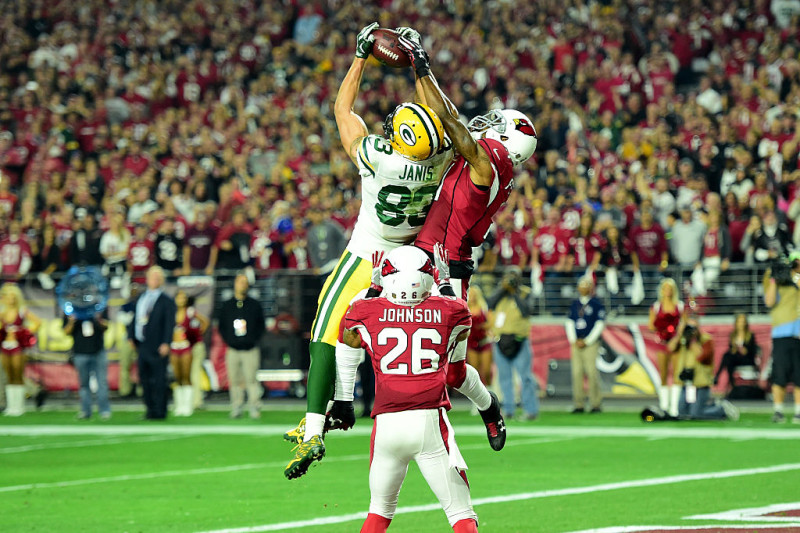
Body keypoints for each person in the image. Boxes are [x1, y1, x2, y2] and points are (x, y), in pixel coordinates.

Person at [285, 24, 454, 472]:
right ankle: (347, 401)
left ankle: (314, 427)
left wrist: (361, 55)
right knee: (362, 330)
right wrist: (421, 66)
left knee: (328, 327)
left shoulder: (379, 155)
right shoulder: (440, 157)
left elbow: (342, 109)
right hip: (413, 262)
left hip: (368, 253)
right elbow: (447, 118)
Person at [399, 34, 538, 439]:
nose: (487, 124)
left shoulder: (492, 159)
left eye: (498, 124)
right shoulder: (495, 161)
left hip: (447, 267)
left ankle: (487, 407)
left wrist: (422, 68)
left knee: (451, 368)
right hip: (418, 255)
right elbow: (449, 114)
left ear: (506, 138)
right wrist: (418, 66)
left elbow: (454, 125)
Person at [336, 246, 479, 533]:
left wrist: (374, 289)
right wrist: (444, 283)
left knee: (378, 514)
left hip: (386, 425)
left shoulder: (367, 311)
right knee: (461, 514)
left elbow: (348, 335)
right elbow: (462, 321)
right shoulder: (448, 311)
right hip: (427, 422)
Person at [486, 268, 539, 421]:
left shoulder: (526, 292)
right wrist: (503, 288)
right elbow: (489, 303)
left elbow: (526, 311)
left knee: (525, 377)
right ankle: (508, 410)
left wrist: (515, 292)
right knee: (504, 377)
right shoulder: (500, 293)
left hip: (519, 340)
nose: (510, 280)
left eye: (513, 277)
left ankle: (530, 410)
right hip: (500, 340)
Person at [126, 266, 176, 420]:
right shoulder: (141, 298)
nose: (153, 280)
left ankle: (160, 411)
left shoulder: (166, 301)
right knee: (144, 378)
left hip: (158, 344)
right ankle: (149, 409)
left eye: (156, 278)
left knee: (159, 379)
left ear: (161, 281)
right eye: (151, 277)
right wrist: (131, 336)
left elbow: (169, 323)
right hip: (142, 344)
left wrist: (166, 342)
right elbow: (135, 319)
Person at [667, 318, 739, 420]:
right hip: (687, 382)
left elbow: (701, 356)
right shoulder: (683, 339)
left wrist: (693, 341)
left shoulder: (706, 340)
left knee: (696, 414)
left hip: (700, 383)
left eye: (693, 327)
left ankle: (721, 409)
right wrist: (679, 334)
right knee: (682, 413)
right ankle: (712, 406)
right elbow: (670, 348)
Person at [217, 273, 265, 419]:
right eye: (240, 282)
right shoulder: (227, 305)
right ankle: (236, 406)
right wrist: (229, 340)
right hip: (233, 349)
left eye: (245, 282)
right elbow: (222, 326)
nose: (242, 285)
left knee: (251, 379)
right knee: (234, 379)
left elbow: (260, 326)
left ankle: (254, 406)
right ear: (235, 284)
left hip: (250, 349)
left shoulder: (254, 305)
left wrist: (252, 340)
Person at [763, 255, 800, 423]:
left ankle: (798, 411)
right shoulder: (776, 282)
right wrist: (773, 279)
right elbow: (769, 301)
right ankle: (778, 410)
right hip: (781, 333)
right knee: (780, 374)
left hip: (798, 333)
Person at [566, 276, 606, 414]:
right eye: (581, 284)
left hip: (590, 343)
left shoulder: (596, 304)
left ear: (591, 288)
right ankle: (579, 404)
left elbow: (599, 324)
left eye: (586, 285)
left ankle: (595, 403)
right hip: (576, 343)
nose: (583, 287)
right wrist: (573, 340)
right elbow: (570, 322)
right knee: (576, 373)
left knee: (591, 372)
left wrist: (588, 341)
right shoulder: (574, 304)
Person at [0, 283, 40, 416]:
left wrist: (24, 333)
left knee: (18, 375)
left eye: (13, 296)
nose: (11, 299)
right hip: (5, 346)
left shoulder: (22, 310)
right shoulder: (2, 311)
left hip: (18, 347)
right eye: (8, 296)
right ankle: (11, 406)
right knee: (8, 375)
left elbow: (38, 322)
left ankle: (19, 406)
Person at [649, 278, 686, 417]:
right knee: (663, 375)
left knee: (677, 374)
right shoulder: (656, 306)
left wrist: (675, 339)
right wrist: (663, 328)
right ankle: (664, 406)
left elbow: (683, 324)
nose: (668, 291)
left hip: (676, 343)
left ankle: (674, 409)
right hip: (662, 343)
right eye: (665, 288)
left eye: (670, 288)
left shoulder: (679, 306)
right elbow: (651, 325)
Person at [63, 310, 110, 420]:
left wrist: (98, 319)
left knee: (102, 383)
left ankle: (104, 410)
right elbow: (66, 331)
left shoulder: (98, 307)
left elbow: (106, 327)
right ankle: (86, 411)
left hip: (98, 351)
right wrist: (71, 321)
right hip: (80, 352)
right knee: (84, 384)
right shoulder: (72, 309)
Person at [170, 289, 208, 417]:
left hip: (186, 346)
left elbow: (204, 322)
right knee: (177, 376)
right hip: (174, 346)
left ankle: (188, 406)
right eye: (179, 297)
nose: (181, 300)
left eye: (183, 298)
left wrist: (196, 336)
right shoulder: (171, 312)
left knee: (187, 376)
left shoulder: (190, 312)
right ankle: (179, 405)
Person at [714, 312, 763, 400]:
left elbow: (753, 350)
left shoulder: (750, 335)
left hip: (747, 358)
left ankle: (718, 376)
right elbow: (730, 348)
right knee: (727, 357)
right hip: (736, 358)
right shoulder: (732, 335)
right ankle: (729, 383)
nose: (741, 323)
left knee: (727, 357)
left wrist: (745, 350)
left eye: (743, 321)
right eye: (740, 321)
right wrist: (734, 349)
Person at [466, 285, 492, 386]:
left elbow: (491, 322)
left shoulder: (483, 307)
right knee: (474, 372)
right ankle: (477, 397)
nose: (472, 297)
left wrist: (485, 327)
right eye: (471, 294)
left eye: (474, 294)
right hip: (471, 343)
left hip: (484, 341)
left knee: (486, 371)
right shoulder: (465, 308)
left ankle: (490, 393)